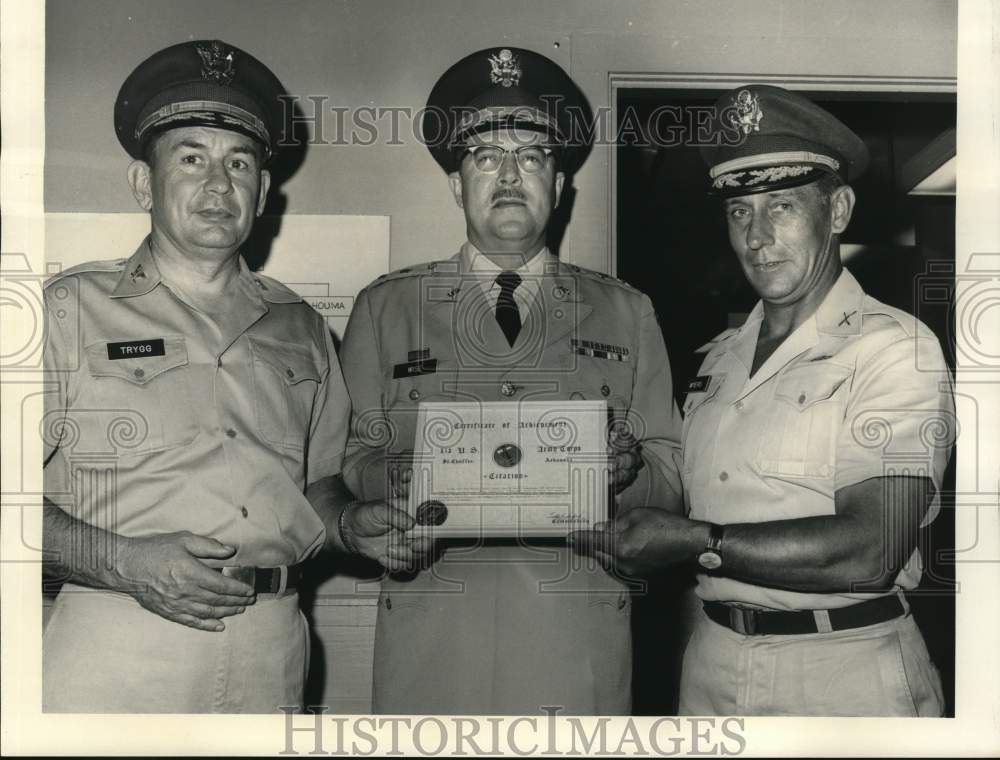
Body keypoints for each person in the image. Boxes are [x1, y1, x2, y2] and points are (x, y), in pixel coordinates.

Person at [41, 39, 415, 713]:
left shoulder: (300, 326)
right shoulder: (67, 310)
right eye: (191, 158)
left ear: (263, 191)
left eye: (239, 162)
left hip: (272, 646)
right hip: (118, 639)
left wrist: (354, 525)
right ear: (142, 183)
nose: (219, 184)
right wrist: (120, 560)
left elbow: (316, 489)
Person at [573, 85, 954, 716]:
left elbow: (872, 546)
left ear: (837, 211)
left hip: (843, 673)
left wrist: (693, 539)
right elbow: (692, 521)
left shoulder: (893, 348)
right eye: (740, 211)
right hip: (712, 665)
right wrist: (624, 471)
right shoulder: (717, 360)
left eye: (781, 204)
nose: (757, 236)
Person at [333, 47, 684, 714]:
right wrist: (396, 476)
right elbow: (347, 459)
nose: (509, 176)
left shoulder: (627, 312)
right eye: (486, 156)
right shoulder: (387, 308)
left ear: (560, 184)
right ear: (455, 183)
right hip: (432, 644)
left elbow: (670, 478)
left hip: (574, 644)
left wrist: (623, 470)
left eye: (532, 155)